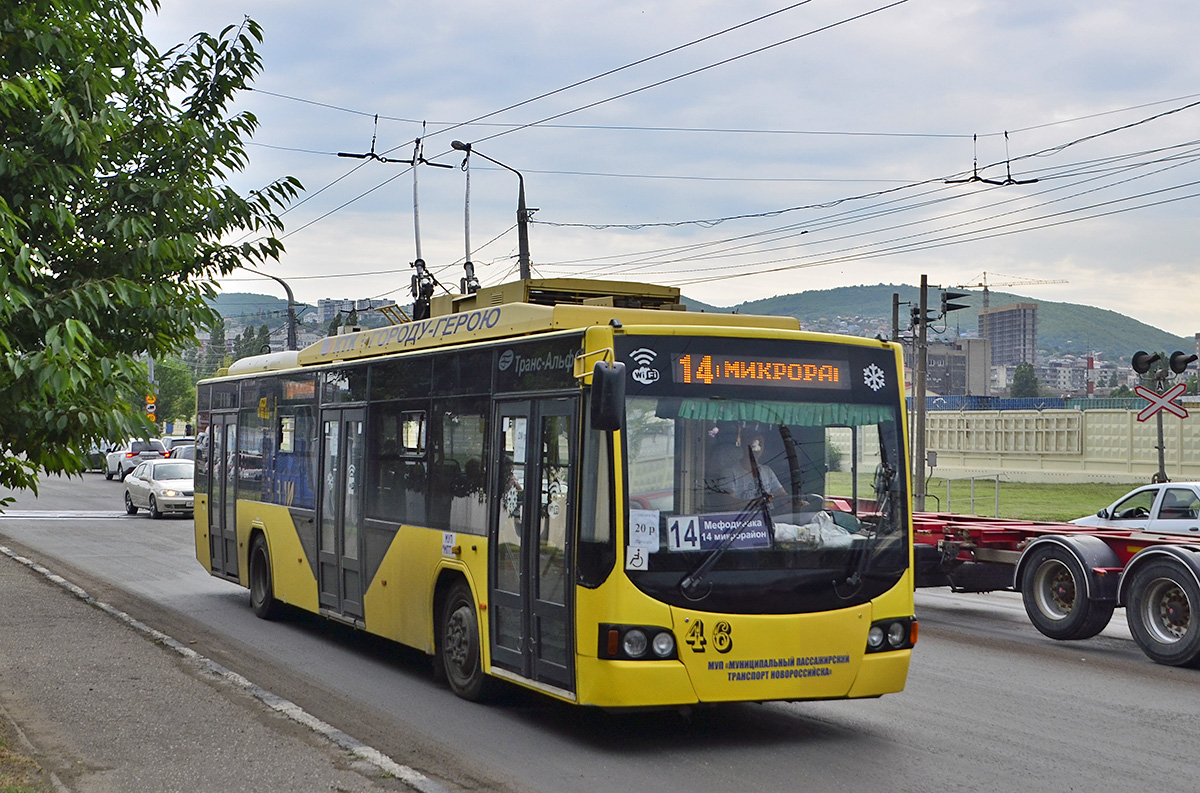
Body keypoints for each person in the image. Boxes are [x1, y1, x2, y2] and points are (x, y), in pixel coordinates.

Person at [708, 431, 787, 506]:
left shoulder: (767, 471)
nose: (757, 449)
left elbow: (781, 495)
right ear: (744, 445)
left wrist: (792, 502)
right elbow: (728, 502)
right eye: (753, 444)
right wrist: (757, 502)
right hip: (745, 519)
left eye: (760, 444)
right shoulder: (730, 472)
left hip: (768, 517)